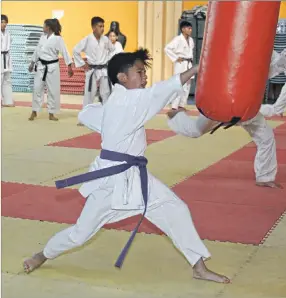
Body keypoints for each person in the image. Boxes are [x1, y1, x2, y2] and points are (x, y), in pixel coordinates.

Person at [23, 48, 230, 284]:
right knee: (80, 234)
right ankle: (42, 254)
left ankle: (198, 267)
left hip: (135, 176)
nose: (144, 77)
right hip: (110, 183)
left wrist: (90, 116)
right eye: (139, 72)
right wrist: (194, 70)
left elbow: (91, 114)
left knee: (176, 210)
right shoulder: (128, 100)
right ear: (122, 77)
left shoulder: (119, 102)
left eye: (144, 72)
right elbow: (158, 92)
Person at [167, 49, 286, 188]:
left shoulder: (261, 46)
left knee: (266, 137)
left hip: (248, 106)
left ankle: (264, 177)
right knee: (195, 131)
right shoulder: (229, 47)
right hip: (222, 102)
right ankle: (174, 115)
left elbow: (272, 68)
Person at [28, 18, 73, 121]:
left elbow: (65, 52)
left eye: (44, 25)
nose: (43, 27)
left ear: (48, 27)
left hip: (52, 67)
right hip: (40, 66)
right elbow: (37, 51)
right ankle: (34, 111)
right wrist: (32, 63)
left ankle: (51, 113)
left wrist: (69, 66)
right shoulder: (42, 37)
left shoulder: (58, 39)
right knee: (37, 88)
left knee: (53, 90)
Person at [73, 17, 114, 125]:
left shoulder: (106, 40)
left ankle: (108, 117)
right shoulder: (87, 39)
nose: (102, 28)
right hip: (92, 70)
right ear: (93, 27)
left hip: (104, 69)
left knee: (106, 93)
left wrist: (108, 60)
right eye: (100, 26)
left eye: (103, 26)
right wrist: (83, 64)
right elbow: (75, 50)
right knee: (89, 94)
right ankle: (84, 118)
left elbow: (113, 51)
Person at [164, 21, 194, 111]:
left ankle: (182, 105)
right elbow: (167, 48)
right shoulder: (178, 39)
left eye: (191, 28)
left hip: (189, 64)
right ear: (183, 29)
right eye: (188, 28)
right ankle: (174, 106)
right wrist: (176, 58)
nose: (190, 30)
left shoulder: (191, 40)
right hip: (181, 64)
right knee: (179, 84)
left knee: (187, 86)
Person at [1, 14, 14, 107]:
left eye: (5, 22)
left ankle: (8, 101)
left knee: (7, 79)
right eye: (2, 22)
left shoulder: (8, 33)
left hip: (7, 57)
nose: (4, 24)